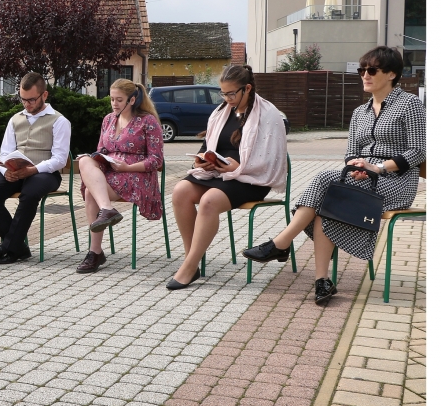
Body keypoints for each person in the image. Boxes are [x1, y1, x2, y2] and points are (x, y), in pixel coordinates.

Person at [244, 46, 425, 305]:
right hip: (360, 177)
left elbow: (419, 150)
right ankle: (322, 280)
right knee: (325, 204)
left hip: (396, 182)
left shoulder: (409, 104)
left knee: (324, 181)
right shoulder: (360, 112)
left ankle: (281, 244)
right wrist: (358, 167)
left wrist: (378, 168)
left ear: (392, 74)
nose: (365, 75)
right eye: (362, 70)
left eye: (372, 70)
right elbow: (351, 153)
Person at [168, 65, 287, 290]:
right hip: (218, 173)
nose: (227, 99)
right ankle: (191, 259)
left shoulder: (268, 113)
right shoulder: (221, 112)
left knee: (209, 201)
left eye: (231, 94)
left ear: (247, 88)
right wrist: (201, 161)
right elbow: (208, 145)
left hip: (250, 179)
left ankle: (189, 266)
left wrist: (240, 167)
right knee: (180, 191)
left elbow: (271, 158)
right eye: (223, 94)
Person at [0, 72, 72, 265]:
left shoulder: (59, 121)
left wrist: (34, 170)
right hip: (15, 172)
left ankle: (7, 248)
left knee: (29, 194)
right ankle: (18, 248)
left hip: (45, 174)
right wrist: (6, 171)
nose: (26, 104)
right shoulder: (15, 119)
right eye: (22, 99)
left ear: (44, 95)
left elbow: (60, 159)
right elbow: (5, 153)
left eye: (31, 100)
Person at [75, 79, 164, 274]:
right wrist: (99, 158)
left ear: (132, 100)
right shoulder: (108, 119)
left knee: (90, 192)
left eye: (119, 100)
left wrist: (127, 166)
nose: (114, 104)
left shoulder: (148, 121)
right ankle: (106, 211)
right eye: (111, 99)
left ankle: (95, 252)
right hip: (111, 172)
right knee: (84, 161)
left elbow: (157, 160)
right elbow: (101, 149)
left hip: (137, 175)